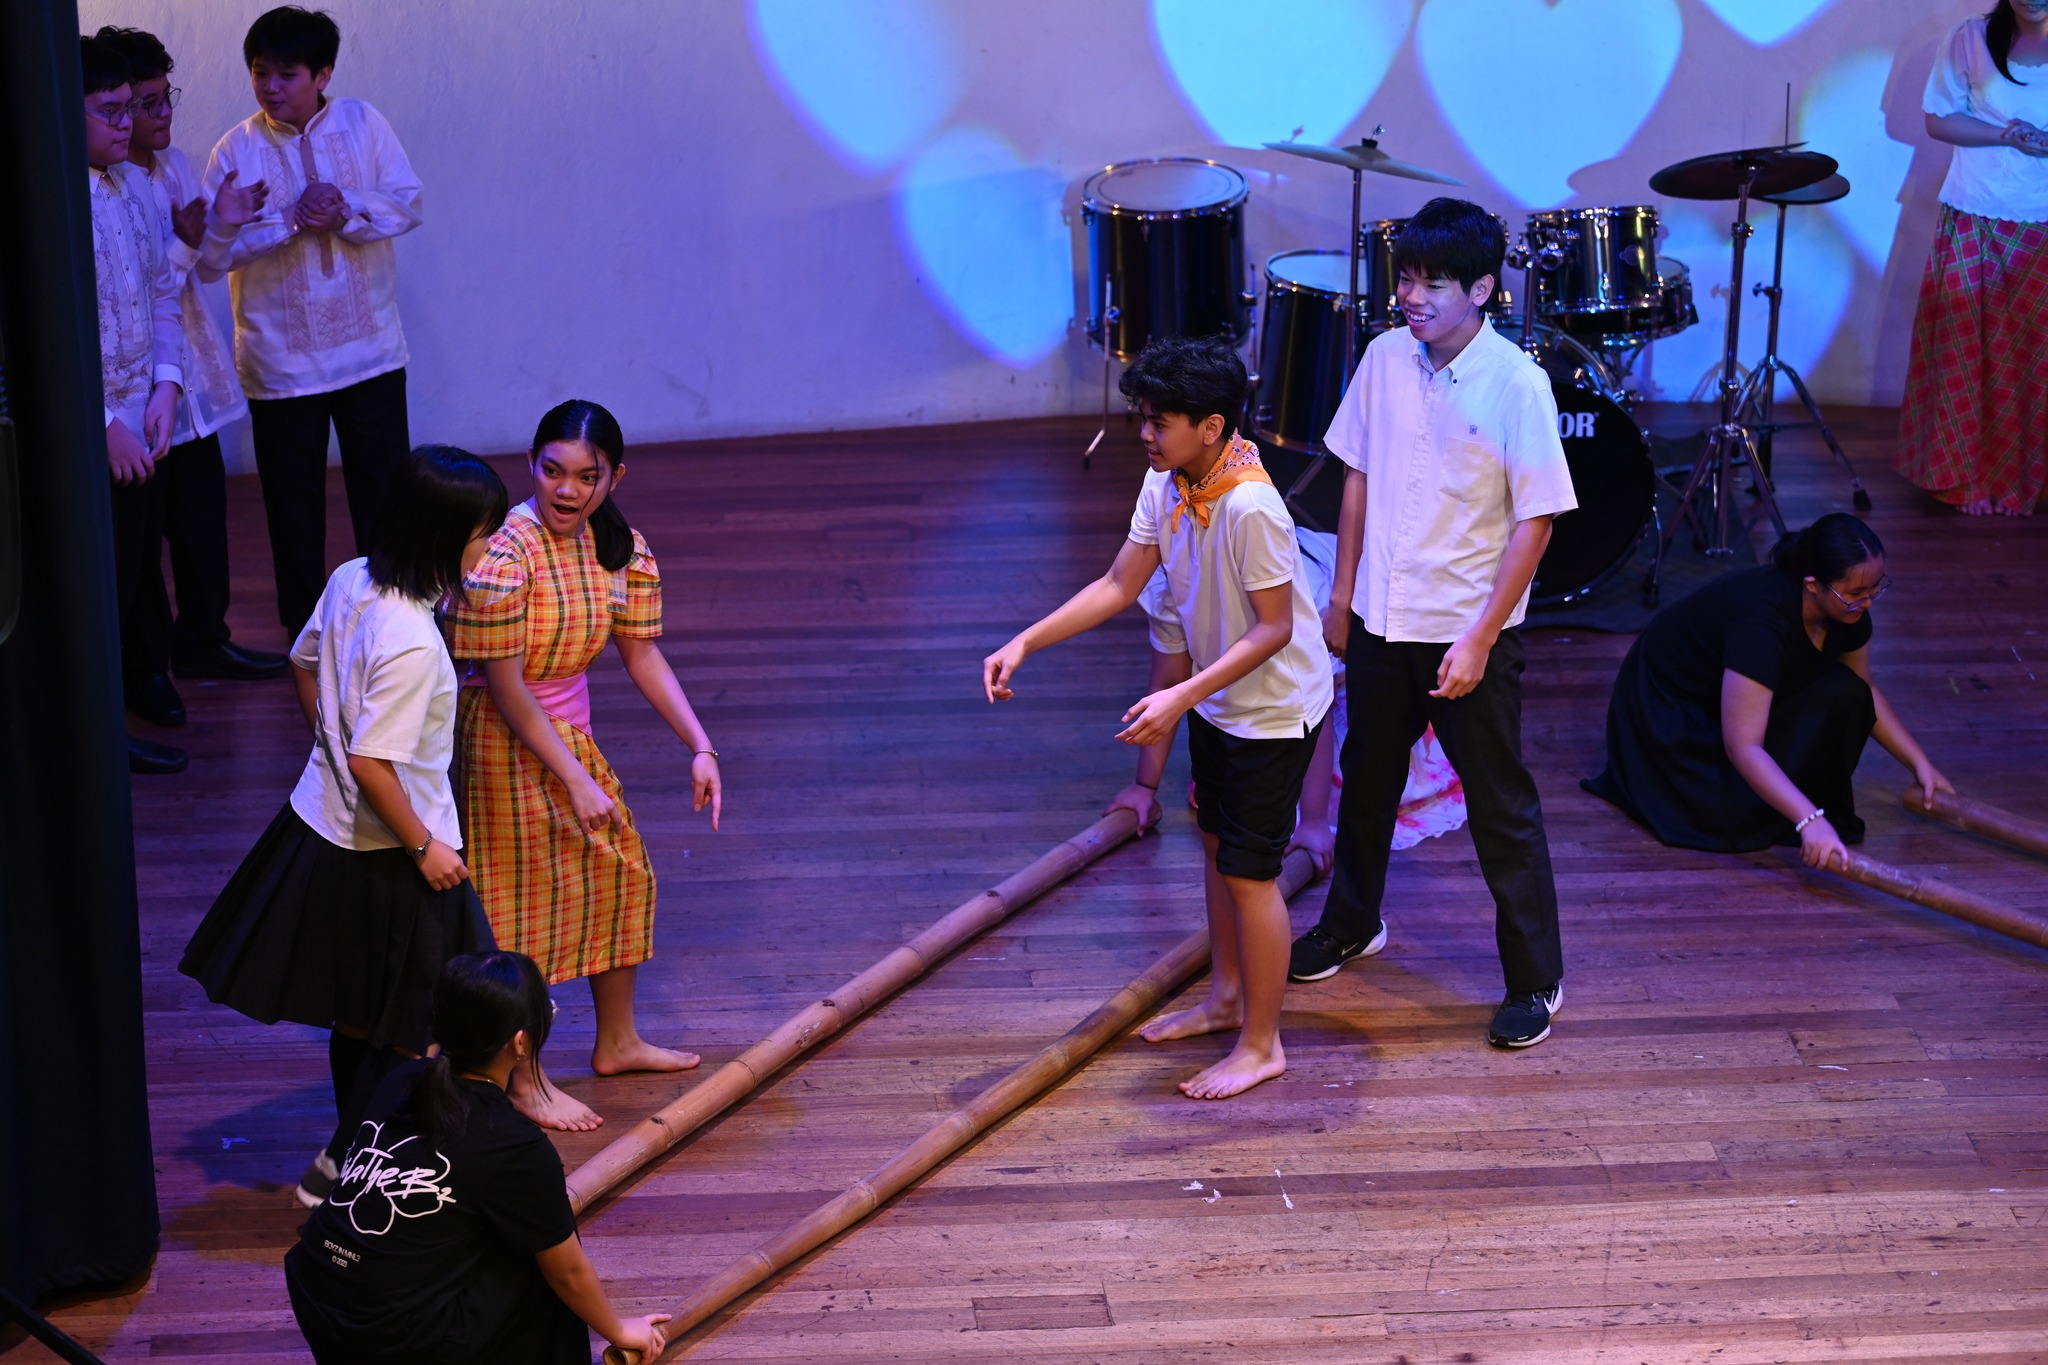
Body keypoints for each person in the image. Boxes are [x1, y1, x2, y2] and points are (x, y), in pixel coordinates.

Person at [985, 335, 1332, 1100]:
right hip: (1219, 700)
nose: (1144, 432)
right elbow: (1119, 582)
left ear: (1211, 427)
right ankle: (1226, 997)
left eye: (1158, 421)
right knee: (1214, 846)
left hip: (1272, 714)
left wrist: (1180, 695)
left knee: (1252, 875)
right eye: (1142, 417)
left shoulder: (1251, 506)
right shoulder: (1167, 481)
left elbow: (1275, 628)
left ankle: (1263, 1045)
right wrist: (1026, 640)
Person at [179, 448, 507, 1207]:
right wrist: (424, 846)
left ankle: (347, 1154)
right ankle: (353, 1160)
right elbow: (371, 761)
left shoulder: (352, 576)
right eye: (483, 534)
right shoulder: (413, 641)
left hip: (329, 829)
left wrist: (327, 742)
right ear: (442, 536)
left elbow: (302, 665)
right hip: (394, 851)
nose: (490, 547)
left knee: (363, 1015)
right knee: (413, 1025)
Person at [1287, 198, 1579, 1051]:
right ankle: (1352, 923)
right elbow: (1356, 479)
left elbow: (1535, 522)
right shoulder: (1383, 356)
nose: (1411, 296)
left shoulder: (1517, 382)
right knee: (1367, 778)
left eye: (1433, 284)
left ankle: (1536, 978)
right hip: (1381, 617)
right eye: (1406, 278)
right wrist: (1341, 598)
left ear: (1482, 289)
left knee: (1499, 805)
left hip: (1463, 632)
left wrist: (1482, 637)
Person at [446, 400, 722, 1131]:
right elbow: (507, 690)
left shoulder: (618, 546)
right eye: (552, 471)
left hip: (569, 735)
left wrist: (700, 744)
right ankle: (523, 1077)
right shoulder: (505, 555)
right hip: (502, 738)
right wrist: (573, 776)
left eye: (586, 476)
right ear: (530, 465)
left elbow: (642, 653)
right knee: (515, 904)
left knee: (620, 871)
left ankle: (618, 1041)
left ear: (613, 477)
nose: (567, 490)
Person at [285, 951, 671, 1365]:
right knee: (539, 1257)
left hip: (318, 1299)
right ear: (520, 1042)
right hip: (388, 1339)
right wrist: (618, 1329)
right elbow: (569, 1275)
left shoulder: (402, 1078)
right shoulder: (515, 1145)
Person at [200, 5, 425, 636]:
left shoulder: (363, 122)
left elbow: (408, 202)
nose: (270, 86)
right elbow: (212, 259)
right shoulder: (236, 149)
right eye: (259, 72)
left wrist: (344, 206)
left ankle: (396, 625)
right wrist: (288, 220)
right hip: (281, 364)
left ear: (322, 75)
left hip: (371, 351)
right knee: (292, 507)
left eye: (286, 74)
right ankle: (307, 635)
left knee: (385, 496)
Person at [95, 25, 289, 699]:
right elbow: (142, 287)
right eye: (140, 104)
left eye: (162, 98)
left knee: (202, 526)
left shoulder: (168, 170)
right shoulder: (102, 188)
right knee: (139, 544)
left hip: (184, 379)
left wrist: (223, 222)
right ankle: (145, 669)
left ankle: (203, 639)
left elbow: (193, 274)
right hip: (131, 392)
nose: (158, 115)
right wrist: (187, 243)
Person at [1585, 515, 1951, 868]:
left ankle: (1791, 806)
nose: (1868, 601)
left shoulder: (1848, 608)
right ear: (1812, 584)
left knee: (1847, 692)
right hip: (1672, 711)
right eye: (1857, 592)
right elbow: (1743, 746)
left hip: (1729, 697)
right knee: (1728, 816)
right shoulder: (1760, 624)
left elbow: (1865, 687)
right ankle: (1789, 811)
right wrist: (1809, 820)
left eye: (1875, 588)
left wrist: (1920, 765)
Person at [1108, 530, 1468, 871]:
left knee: (1364, 781)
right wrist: (1144, 787)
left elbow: (1313, 707)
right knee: (1226, 788)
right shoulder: (1173, 585)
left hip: (1357, 634)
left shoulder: (1289, 600)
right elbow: (1168, 683)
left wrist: (1314, 822)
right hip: (1270, 654)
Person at [82, 35, 189, 774]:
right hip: (91, 424)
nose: (128, 125)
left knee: (137, 562)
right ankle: (95, 733)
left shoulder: (139, 189)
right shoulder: (57, 202)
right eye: (110, 112)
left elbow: (161, 294)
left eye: (133, 108)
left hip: (142, 410)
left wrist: (167, 386)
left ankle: (134, 689)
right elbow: (49, 331)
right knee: (96, 577)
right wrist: (104, 424)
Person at [1899, 0, 2048, 517]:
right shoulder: (1971, 37)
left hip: (2042, 222)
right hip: (1974, 210)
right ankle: (1967, 478)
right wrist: (2005, 135)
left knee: (2030, 358)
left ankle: (2021, 477)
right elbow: (1939, 119)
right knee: (1966, 350)